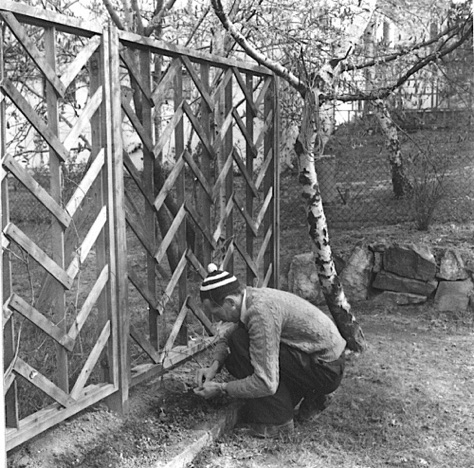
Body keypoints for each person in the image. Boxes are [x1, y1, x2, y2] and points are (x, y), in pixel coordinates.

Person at [193, 263, 347, 438]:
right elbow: (227, 335)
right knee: (238, 340)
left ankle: (278, 422)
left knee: (241, 346)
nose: (216, 318)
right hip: (325, 360)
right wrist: (214, 365)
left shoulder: (260, 313)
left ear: (230, 302)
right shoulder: (250, 297)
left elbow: (265, 382)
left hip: (325, 369)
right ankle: (312, 394)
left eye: (216, 312)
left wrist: (221, 388)